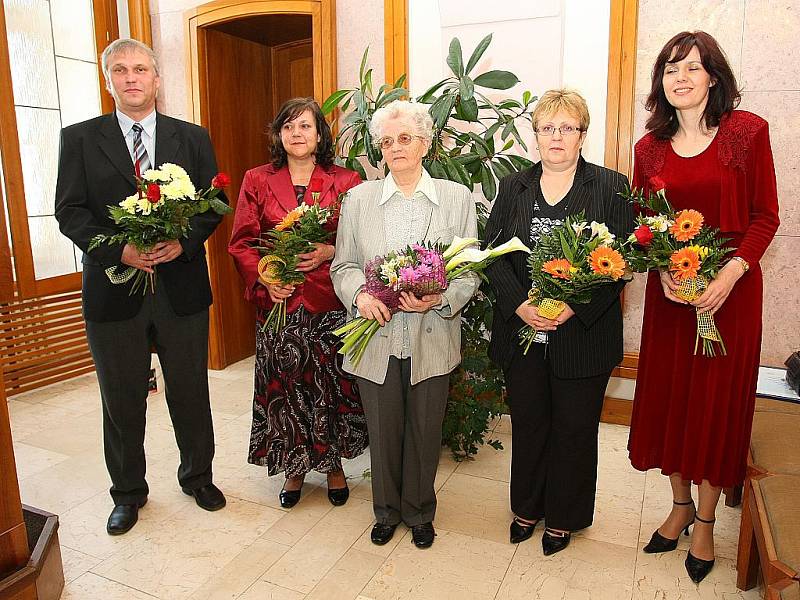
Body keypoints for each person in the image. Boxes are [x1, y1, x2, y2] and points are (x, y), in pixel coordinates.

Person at [54, 38, 227, 535]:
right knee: (122, 398)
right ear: (109, 81)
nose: (132, 78)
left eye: (141, 69)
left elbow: (213, 202)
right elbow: (69, 210)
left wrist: (183, 241)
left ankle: (198, 477)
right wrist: (118, 250)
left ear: (157, 79)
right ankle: (128, 493)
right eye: (121, 70)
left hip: (181, 292)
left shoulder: (192, 137)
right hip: (112, 294)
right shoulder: (80, 139)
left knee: (191, 392)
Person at [627, 31, 779, 584]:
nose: (681, 78)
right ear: (660, 82)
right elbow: (643, 227)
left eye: (693, 68)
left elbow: (766, 215)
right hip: (670, 300)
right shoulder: (648, 148)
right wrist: (663, 266)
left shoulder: (747, 132)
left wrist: (731, 272)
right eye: (671, 69)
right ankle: (679, 505)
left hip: (731, 297)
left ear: (713, 77)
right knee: (671, 400)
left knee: (714, 405)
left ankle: (707, 521)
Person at [484, 89, 634, 555]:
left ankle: (564, 517)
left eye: (567, 128)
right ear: (535, 135)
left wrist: (574, 306)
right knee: (529, 422)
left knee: (574, 428)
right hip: (523, 332)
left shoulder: (610, 187)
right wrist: (518, 307)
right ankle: (527, 507)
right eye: (548, 127)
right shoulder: (513, 187)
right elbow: (492, 256)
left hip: (583, 333)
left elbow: (622, 262)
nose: (557, 136)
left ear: (582, 136)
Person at [330, 100, 479, 549]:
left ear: (426, 143)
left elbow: (469, 272)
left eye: (406, 138)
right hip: (375, 338)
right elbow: (344, 265)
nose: (396, 147)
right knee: (384, 428)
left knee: (425, 430)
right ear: (380, 149)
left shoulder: (457, 198)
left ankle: (419, 511)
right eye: (387, 140)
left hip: (432, 335)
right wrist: (360, 295)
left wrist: (442, 297)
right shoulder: (358, 199)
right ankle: (386, 510)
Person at [228, 98, 368, 509]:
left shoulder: (347, 180)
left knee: (331, 386)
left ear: (320, 133)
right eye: (289, 127)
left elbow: (361, 239)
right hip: (279, 306)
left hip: (330, 301)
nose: (297, 134)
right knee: (286, 387)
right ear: (279, 135)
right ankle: (293, 468)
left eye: (305, 126)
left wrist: (328, 251)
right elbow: (242, 243)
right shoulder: (257, 179)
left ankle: (334, 465)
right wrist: (265, 279)